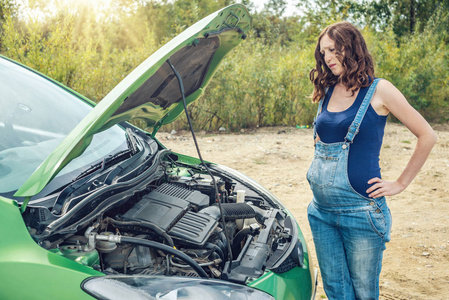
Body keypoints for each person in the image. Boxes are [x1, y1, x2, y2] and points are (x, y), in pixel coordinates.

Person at [306, 21, 437, 300]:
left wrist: (400, 183)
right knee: (336, 293)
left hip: (361, 213)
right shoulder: (328, 88)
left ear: (350, 46)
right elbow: (323, 139)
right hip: (321, 213)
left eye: (332, 49)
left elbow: (427, 135)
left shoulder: (380, 90)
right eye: (323, 52)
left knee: (365, 294)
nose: (327, 58)